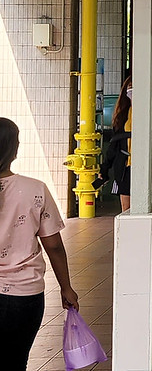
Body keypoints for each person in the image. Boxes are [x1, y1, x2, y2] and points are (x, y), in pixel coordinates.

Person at [0, 117, 79, 371]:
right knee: (15, 360)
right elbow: (53, 245)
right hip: (24, 295)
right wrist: (66, 287)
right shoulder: (35, 189)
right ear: (14, 149)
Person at [108, 75, 133, 211]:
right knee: (126, 207)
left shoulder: (149, 112)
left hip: (143, 167)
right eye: (130, 87)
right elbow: (113, 145)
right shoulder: (122, 115)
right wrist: (105, 168)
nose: (132, 90)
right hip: (124, 167)